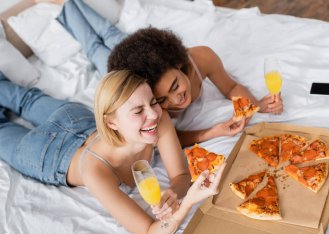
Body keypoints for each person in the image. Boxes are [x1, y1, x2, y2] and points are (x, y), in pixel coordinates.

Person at [0, 66, 225, 234]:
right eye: (138, 110)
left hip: (77, 120)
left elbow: (181, 175)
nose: (153, 114)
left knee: (27, 99)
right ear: (111, 122)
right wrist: (188, 203)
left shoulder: (155, 120)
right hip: (47, 154)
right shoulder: (95, 169)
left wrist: (176, 192)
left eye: (152, 103)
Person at [53, 0, 283, 146]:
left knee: (110, 33)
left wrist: (251, 105)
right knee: (94, 47)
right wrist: (209, 133)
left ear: (180, 63)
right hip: (127, 66)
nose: (176, 101)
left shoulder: (202, 58)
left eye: (175, 86)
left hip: (140, 54)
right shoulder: (146, 100)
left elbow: (231, 87)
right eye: (162, 99)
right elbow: (169, 137)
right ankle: (64, 4)